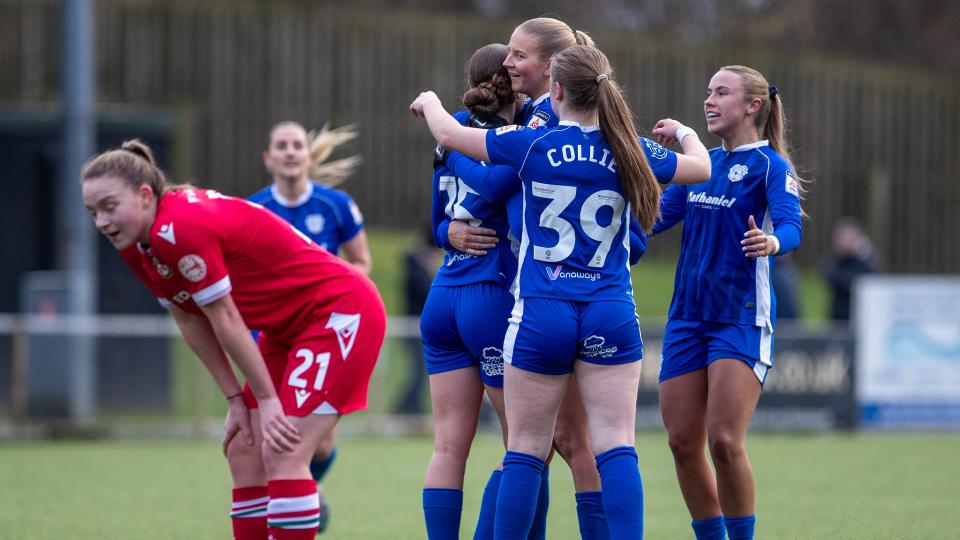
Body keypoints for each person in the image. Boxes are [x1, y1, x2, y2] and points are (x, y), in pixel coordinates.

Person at [412, 44, 709, 539]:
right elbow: (701, 168)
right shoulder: (630, 148)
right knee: (616, 442)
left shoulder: (533, 143)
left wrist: (428, 102)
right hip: (609, 309)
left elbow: (449, 135)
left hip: (540, 311)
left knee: (526, 447)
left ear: (556, 90)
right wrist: (684, 133)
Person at [81, 140, 386, 539]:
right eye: (93, 212)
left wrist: (267, 400)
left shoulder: (181, 229)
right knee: (244, 449)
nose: (101, 222)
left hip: (339, 312)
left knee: (284, 448)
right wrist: (235, 400)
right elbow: (190, 321)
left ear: (144, 195)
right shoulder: (138, 245)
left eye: (109, 206)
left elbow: (224, 315)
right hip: (288, 330)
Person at [651, 65, 804, 540]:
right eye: (708, 92)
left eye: (722, 93)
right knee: (681, 441)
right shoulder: (700, 166)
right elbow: (654, 219)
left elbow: (791, 227)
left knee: (723, 441)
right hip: (686, 318)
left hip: (739, 318)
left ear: (753, 105)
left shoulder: (772, 167)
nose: (709, 100)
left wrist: (772, 242)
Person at [248, 120, 372, 533]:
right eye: (281, 145)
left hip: (320, 333)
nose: (290, 152)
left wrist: (329, 288)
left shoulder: (335, 205)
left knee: (319, 442)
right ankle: (287, 501)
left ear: (307, 155)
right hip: (268, 336)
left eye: (297, 145)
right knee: (268, 435)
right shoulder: (253, 210)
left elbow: (362, 263)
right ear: (268, 158)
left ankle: (305, 487)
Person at [419, 43, 519, 540]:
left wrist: (448, 232)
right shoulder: (517, 134)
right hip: (490, 296)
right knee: (523, 445)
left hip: (443, 296)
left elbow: (436, 223)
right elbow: (496, 186)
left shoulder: (452, 130)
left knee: (447, 446)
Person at [822, 217, 875, 321]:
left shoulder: (864, 259)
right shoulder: (834, 259)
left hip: (861, 314)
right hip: (838, 315)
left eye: (850, 239)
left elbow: (870, 279)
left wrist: (863, 255)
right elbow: (829, 276)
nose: (846, 243)